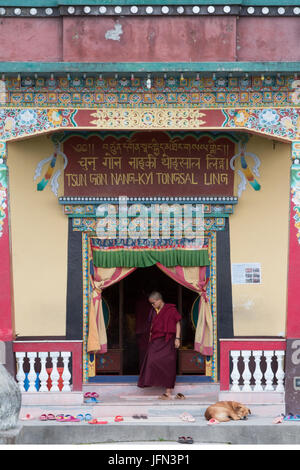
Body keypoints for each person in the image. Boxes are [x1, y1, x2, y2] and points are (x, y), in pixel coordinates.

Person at [137, 291, 182, 399]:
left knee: (168, 363)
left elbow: (177, 323)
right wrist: (150, 338)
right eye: (151, 304)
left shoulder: (171, 309)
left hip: (168, 340)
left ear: (159, 300)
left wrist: (177, 338)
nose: (152, 305)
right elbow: (152, 325)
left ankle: (168, 391)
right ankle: (150, 382)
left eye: (153, 303)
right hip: (156, 340)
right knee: (151, 360)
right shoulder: (153, 311)